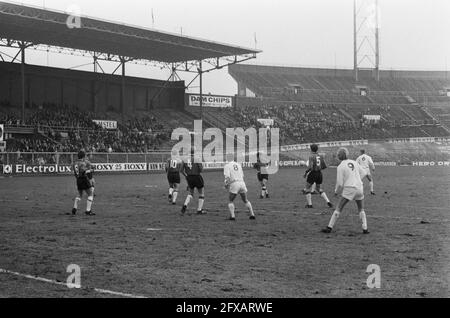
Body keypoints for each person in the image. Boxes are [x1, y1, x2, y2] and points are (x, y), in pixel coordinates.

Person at [322, 148, 369, 234]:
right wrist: (357, 180)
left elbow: (340, 183)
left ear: (339, 156)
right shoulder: (354, 162)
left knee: (339, 207)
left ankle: (329, 227)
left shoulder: (340, 166)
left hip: (349, 188)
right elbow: (364, 173)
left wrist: (336, 191)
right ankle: (365, 228)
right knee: (361, 208)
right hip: (359, 187)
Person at [224, 153, 256, 221]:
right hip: (242, 183)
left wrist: (226, 185)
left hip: (234, 183)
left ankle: (232, 216)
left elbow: (227, 177)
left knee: (230, 200)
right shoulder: (238, 165)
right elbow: (242, 175)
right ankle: (252, 214)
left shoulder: (227, 166)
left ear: (227, 158)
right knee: (245, 200)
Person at [303, 144, 333, 209]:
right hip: (319, 174)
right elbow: (324, 166)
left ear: (311, 149)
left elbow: (310, 167)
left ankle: (310, 205)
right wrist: (318, 168)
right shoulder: (320, 156)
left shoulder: (311, 156)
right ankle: (328, 202)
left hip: (313, 173)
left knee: (307, 188)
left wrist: (306, 172)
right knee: (318, 189)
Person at [181, 149, 205, 215]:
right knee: (201, 193)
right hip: (197, 176)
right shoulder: (197, 158)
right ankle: (199, 210)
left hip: (189, 177)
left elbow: (181, 170)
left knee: (191, 193)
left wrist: (186, 176)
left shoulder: (184, 159)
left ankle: (185, 204)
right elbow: (201, 170)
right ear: (195, 152)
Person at [72, 150, 95, 216]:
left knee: (80, 194)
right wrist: (90, 170)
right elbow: (84, 172)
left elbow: (76, 172)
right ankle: (88, 211)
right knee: (90, 194)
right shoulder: (82, 163)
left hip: (78, 180)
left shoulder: (75, 163)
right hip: (83, 179)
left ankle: (74, 208)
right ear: (83, 156)